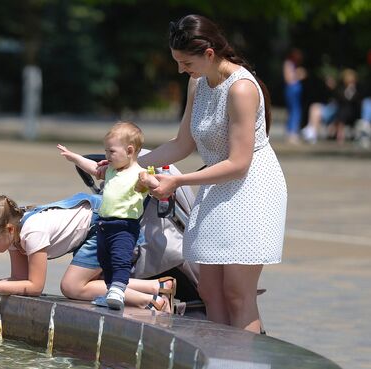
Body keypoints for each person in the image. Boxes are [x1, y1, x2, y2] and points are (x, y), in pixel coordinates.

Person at [138, 15, 287, 333]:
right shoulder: (198, 82)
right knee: (209, 291)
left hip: (252, 190)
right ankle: (220, 360)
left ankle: (246, 361)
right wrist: (132, 165)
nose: (181, 70)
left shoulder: (241, 88)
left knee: (237, 291)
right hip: (216, 186)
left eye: (185, 62)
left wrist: (177, 180)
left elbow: (238, 164)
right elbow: (182, 144)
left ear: (208, 54)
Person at [0, 193, 176, 313]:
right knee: (77, 285)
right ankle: (157, 287)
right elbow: (20, 280)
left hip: (106, 226)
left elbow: (35, 287)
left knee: (72, 286)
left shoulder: (32, 232)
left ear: (8, 229)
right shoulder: (13, 236)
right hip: (95, 227)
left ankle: (151, 301)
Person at [56, 122, 150, 310]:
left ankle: (118, 290)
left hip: (124, 226)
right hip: (104, 224)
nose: (107, 156)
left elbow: (154, 185)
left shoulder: (140, 174)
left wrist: (151, 182)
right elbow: (92, 168)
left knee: (120, 260)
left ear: (130, 151)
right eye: (106, 151)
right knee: (105, 261)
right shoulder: (111, 170)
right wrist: (74, 157)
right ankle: (110, 292)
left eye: (111, 151)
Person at [332, 68, 363, 145]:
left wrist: (352, 91)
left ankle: (340, 133)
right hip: (342, 113)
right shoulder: (341, 89)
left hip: (354, 112)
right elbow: (340, 100)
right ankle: (340, 133)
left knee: (345, 110)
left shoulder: (358, 90)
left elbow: (357, 102)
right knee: (343, 111)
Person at [283, 48, 306, 144]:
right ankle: (291, 133)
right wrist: (298, 74)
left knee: (296, 110)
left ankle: (293, 131)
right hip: (292, 90)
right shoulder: (288, 63)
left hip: (296, 91)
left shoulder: (295, 64)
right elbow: (288, 78)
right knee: (294, 111)